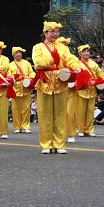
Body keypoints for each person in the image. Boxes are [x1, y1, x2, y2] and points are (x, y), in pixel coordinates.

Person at [31, 22, 80, 154]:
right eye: (52, 31)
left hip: (60, 82)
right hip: (44, 83)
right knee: (45, 114)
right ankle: (46, 144)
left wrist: (75, 65)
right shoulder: (38, 47)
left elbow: (70, 58)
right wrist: (52, 61)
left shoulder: (63, 47)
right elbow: (38, 62)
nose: (55, 34)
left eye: (57, 31)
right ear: (46, 33)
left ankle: (59, 144)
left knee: (60, 114)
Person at [74, 44, 104, 137]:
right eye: (84, 51)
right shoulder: (76, 63)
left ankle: (89, 129)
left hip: (92, 90)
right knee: (80, 111)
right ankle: (80, 129)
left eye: (88, 51)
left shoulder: (93, 63)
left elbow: (100, 74)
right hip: (81, 90)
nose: (86, 53)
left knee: (90, 111)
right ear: (79, 53)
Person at [8, 47, 36, 134]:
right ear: (13, 54)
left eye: (20, 52)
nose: (18, 54)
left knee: (26, 108)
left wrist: (29, 78)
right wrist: (14, 78)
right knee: (16, 109)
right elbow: (9, 76)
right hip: (15, 88)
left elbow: (32, 72)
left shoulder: (26, 63)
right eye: (16, 53)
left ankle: (25, 126)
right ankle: (17, 127)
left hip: (25, 87)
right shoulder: (10, 65)